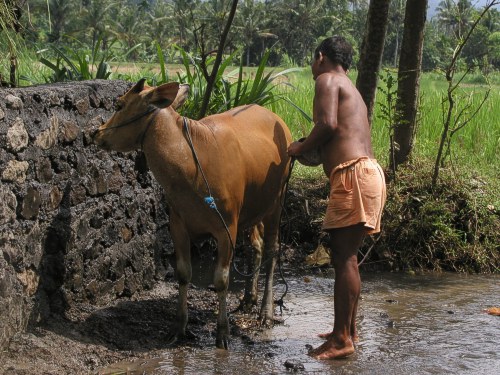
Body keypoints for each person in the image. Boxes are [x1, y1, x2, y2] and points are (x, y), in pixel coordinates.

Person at [288, 36, 386, 360]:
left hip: (352, 174)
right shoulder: (351, 87)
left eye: (313, 61)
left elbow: (327, 124)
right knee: (349, 256)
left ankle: (341, 339)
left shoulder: (327, 80)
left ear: (321, 57)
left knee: (343, 257)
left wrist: (298, 148)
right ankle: (348, 331)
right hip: (369, 173)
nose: (313, 67)